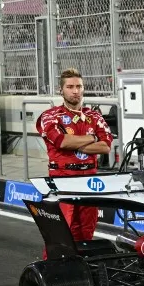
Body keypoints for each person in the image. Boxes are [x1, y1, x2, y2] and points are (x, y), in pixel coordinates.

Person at [36, 69, 113, 244]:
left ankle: (81, 269)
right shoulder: (50, 116)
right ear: (61, 90)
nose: (75, 91)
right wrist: (93, 138)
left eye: (79, 86)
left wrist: (76, 144)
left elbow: (106, 146)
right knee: (59, 235)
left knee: (86, 234)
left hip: (89, 181)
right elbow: (62, 141)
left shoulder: (94, 116)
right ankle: (55, 270)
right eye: (70, 87)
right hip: (62, 180)